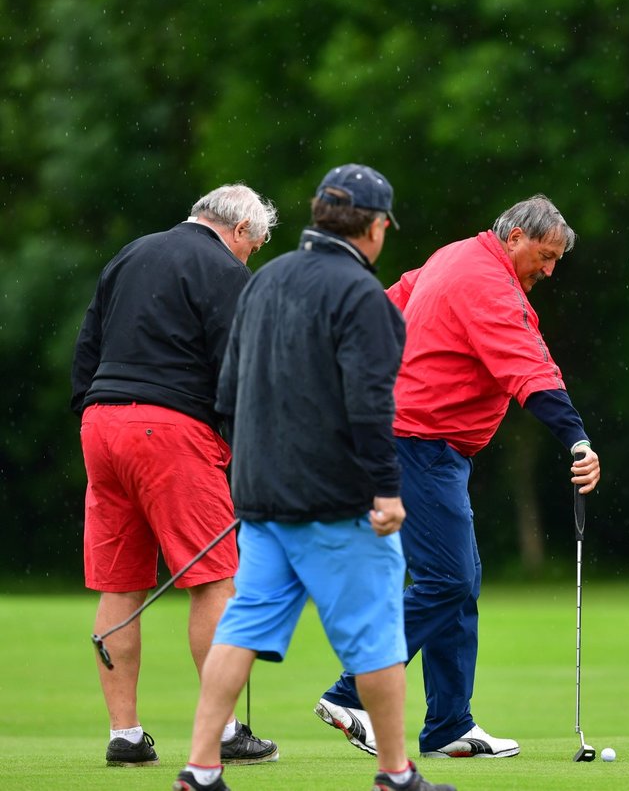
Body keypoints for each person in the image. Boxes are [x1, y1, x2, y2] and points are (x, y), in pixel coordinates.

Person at [173, 164, 455, 791]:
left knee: (242, 627)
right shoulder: (361, 296)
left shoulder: (263, 281)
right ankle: (395, 772)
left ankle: (200, 767)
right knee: (379, 637)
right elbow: (370, 403)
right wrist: (386, 489)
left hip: (261, 496)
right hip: (336, 502)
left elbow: (229, 393)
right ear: (376, 227)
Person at [314, 194, 601, 760]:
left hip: (419, 444)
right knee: (447, 581)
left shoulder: (455, 256)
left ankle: (449, 724)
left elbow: (390, 305)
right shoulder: (489, 284)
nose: (547, 270)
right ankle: (352, 693)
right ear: (514, 234)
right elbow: (528, 365)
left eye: (555, 262)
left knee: (457, 584)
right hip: (420, 445)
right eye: (543, 256)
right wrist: (576, 436)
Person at [71, 184, 281, 768]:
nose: (251, 257)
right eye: (255, 245)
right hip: (170, 430)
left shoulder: (130, 253)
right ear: (239, 231)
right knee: (215, 578)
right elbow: (242, 370)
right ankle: (224, 730)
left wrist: (92, 412)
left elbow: (87, 347)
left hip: (101, 423)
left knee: (121, 584)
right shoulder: (226, 272)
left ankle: (126, 735)